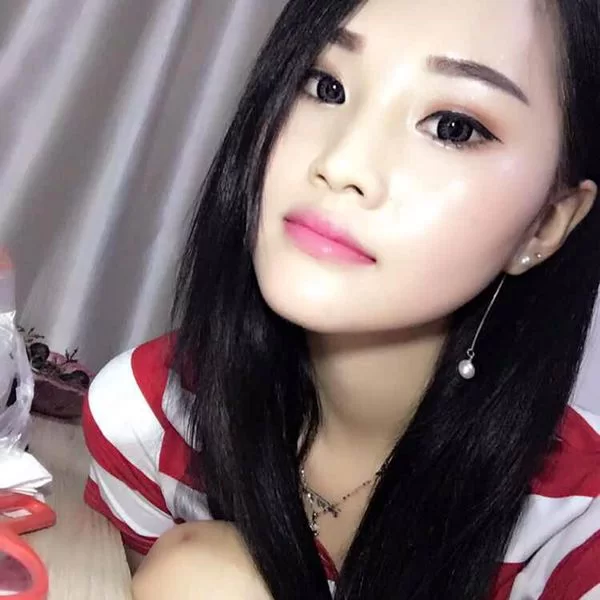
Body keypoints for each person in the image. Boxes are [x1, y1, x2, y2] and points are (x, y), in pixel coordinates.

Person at [82, 0, 600, 598]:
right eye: (324, 86)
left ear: (546, 224)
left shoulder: (574, 527)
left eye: (453, 127)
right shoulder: (149, 422)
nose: (342, 163)